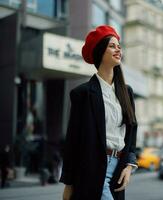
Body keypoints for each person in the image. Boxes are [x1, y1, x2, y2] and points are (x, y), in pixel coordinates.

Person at [59, 25, 138, 200]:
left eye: (119, 45)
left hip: (118, 169)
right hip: (91, 168)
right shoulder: (83, 94)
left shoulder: (127, 92)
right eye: (112, 45)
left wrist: (129, 165)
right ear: (99, 51)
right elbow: (73, 140)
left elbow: (131, 134)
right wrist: (69, 183)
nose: (118, 49)